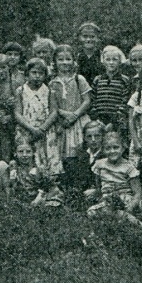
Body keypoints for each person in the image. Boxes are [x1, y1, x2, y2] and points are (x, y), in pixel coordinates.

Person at [50, 45, 92, 187]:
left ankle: (84, 185)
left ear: (74, 61)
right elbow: (53, 105)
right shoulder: (52, 82)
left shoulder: (79, 79)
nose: (65, 62)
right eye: (60, 59)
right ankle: (69, 187)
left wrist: (75, 114)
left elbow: (87, 101)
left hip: (79, 120)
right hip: (63, 122)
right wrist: (64, 115)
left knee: (81, 152)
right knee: (66, 155)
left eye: (68, 59)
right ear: (55, 62)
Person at [14, 58, 62, 178]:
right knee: (28, 157)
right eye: (34, 73)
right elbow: (17, 113)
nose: (37, 76)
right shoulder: (20, 91)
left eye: (41, 73)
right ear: (27, 74)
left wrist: (42, 128)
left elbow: (54, 112)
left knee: (47, 158)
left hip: (45, 130)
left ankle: (49, 185)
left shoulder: (49, 91)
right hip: (26, 130)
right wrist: (31, 129)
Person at [87, 131, 142, 225]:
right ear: (103, 150)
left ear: (123, 148)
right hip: (107, 199)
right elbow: (99, 187)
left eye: (116, 147)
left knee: (108, 212)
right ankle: (124, 218)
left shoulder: (128, 167)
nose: (112, 151)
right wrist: (95, 192)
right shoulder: (99, 165)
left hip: (125, 199)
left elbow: (138, 193)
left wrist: (130, 206)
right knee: (91, 212)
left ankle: (124, 217)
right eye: (108, 148)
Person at [9, 134, 64, 207]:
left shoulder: (39, 169)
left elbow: (51, 186)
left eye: (28, 152)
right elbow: (12, 186)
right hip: (24, 200)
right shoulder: (14, 168)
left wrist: (40, 197)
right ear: (15, 153)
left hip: (41, 197)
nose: (24, 155)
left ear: (33, 153)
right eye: (21, 151)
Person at [90, 46, 132, 136]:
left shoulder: (124, 80)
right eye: (108, 59)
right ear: (103, 61)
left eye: (115, 59)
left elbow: (125, 103)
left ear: (120, 61)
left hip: (117, 123)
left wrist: (113, 123)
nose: (111, 62)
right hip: (99, 122)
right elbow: (92, 101)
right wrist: (97, 120)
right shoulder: (97, 80)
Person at [75, 120, 105, 194]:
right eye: (89, 137)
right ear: (84, 138)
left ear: (103, 137)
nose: (93, 140)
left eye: (97, 136)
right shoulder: (82, 154)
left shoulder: (106, 154)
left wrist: (96, 191)